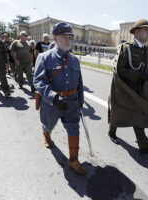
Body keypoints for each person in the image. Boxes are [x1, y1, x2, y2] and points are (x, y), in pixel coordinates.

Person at [33, 22, 86, 175]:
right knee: (48, 125)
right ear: (55, 37)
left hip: (72, 103)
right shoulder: (44, 57)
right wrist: (54, 98)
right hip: (51, 104)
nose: (68, 40)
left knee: (74, 129)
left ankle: (73, 160)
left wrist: (80, 102)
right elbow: (38, 81)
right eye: (64, 36)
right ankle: (47, 136)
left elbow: (79, 83)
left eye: (70, 36)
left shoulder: (75, 60)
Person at [108, 19, 148, 154]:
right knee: (118, 114)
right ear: (136, 32)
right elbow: (119, 70)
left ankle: (144, 146)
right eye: (145, 30)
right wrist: (139, 75)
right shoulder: (126, 48)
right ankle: (111, 133)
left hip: (138, 92)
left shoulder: (144, 49)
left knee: (139, 116)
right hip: (124, 90)